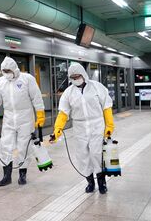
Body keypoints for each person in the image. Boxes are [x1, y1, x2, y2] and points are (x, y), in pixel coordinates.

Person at [49, 62, 114, 194]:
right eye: (72, 77)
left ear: (83, 74)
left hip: (96, 124)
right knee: (82, 156)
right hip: (79, 127)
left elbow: (106, 106)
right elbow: (63, 113)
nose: (75, 79)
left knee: (97, 154)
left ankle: (102, 182)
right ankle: (90, 182)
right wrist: (57, 130)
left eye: (77, 76)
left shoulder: (97, 87)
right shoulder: (68, 93)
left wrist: (109, 125)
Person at [0, 57, 45, 186]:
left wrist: (40, 116)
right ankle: (7, 175)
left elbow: (37, 99)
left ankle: (22, 174)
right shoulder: (1, 82)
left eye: (8, 70)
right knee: (5, 146)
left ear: (15, 69)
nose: (6, 73)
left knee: (24, 147)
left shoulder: (27, 79)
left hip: (25, 118)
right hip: (9, 118)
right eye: (4, 71)